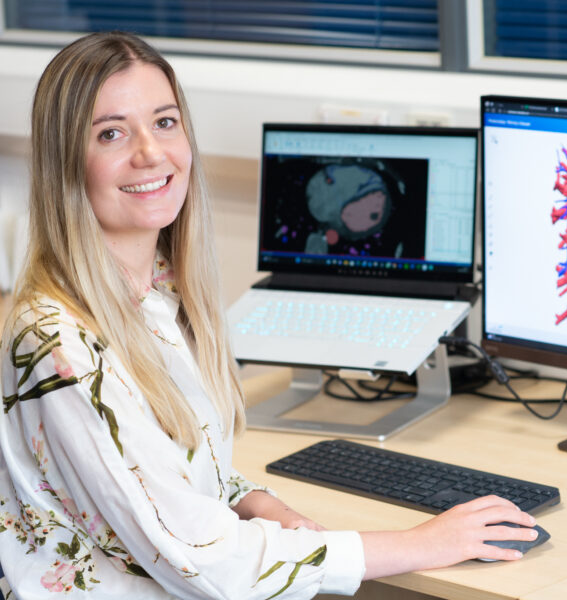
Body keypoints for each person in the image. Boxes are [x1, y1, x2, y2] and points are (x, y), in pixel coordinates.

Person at [0, 31, 538, 599]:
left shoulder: (159, 290)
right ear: (66, 161)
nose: (151, 153)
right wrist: (426, 542)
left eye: (164, 122)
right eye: (112, 133)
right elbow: (199, 559)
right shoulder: (57, 344)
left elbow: (164, 470)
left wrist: (256, 501)